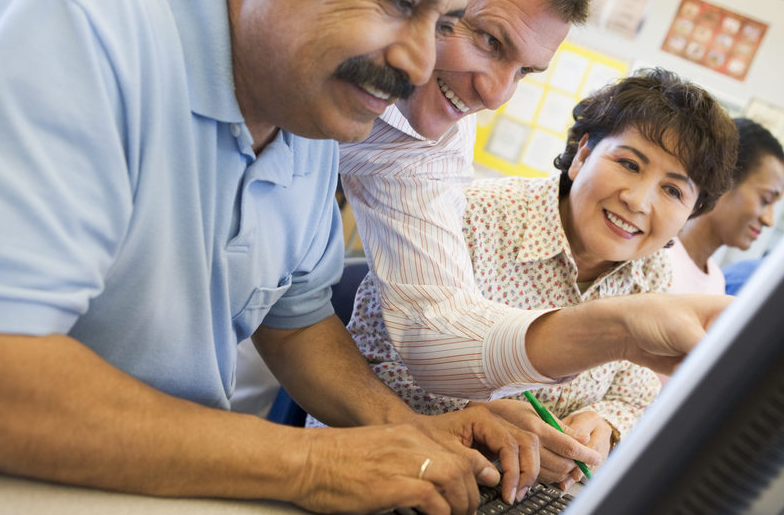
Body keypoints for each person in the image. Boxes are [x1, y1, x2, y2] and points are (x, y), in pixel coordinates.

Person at [0, 0, 549, 513]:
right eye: (398, 3)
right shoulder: (75, 21)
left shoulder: (307, 103)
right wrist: (315, 465)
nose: (421, 65)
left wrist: (406, 429)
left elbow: (294, 320)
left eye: (443, 23)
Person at [234, 0, 731, 486]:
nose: (496, 96)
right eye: (488, 39)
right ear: (582, 155)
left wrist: (601, 403)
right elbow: (403, 347)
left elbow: (415, 327)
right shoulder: (477, 210)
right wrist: (613, 330)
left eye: (525, 72)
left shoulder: (430, 131)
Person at [308, 70, 740, 494]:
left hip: (517, 497)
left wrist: (603, 425)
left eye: (673, 191)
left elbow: (635, 395)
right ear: (584, 154)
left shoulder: (652, 274)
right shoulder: (472, 217)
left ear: (692, 214)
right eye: (629, 164)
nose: (638, 201)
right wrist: (483, 417)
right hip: (385, 473)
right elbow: (367, 368)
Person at [668, 117, 784, 295]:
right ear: (723, 179)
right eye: (765, 200)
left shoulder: (716, 285)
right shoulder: (655, 255)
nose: (769, 220)